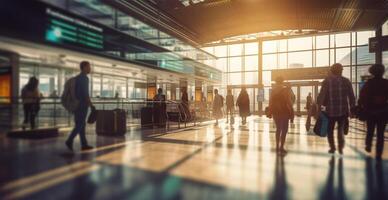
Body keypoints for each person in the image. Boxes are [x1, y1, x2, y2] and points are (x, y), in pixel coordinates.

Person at [317, 63, 355, 155]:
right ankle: (340, 147)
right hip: (343, 111)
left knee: (330, 130)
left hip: (331, 111)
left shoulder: (327, 81)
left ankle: (332, 147)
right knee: (340, 130)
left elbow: (321, 95)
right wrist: (352, 109)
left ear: (332, 70)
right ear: (341, 71)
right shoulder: (346, 81)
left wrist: (318, 108)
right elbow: (351, 96)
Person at [358, 64, 388, 161]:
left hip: (370, 111)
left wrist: (361, 105)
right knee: (380, 133)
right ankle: (379, 152)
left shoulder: (369, 83)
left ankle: (368, 144)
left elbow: (362, 96)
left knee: (370, 130)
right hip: (383, 112)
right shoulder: (386, 83)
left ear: (372, 72)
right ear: (382, 71)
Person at [65, 61, 94, 151]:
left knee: (81, 124)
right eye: (89, 67)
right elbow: (85, 94)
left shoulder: (77, 78)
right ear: (84, 67)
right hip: (82, 105)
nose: (90, 69)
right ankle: (69, 140)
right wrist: (91, 105)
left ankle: (84, 144)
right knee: (80, 124)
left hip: (76, 104)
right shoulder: (84, 78)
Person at [268, 77, 294, 155]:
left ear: (276, 81)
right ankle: (281, 147)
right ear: (282, 81)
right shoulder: (285, 90)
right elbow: (289, 101)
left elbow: (270, 102)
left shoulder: (273, 90)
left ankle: (276, 146)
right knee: (284, 130)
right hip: (284, 112)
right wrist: (292, 111)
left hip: (276, 112)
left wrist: (270, 111)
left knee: (278, 129)